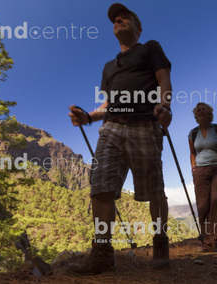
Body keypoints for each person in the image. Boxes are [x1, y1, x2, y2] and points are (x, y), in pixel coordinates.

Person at [64, 3, 172, 275]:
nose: (118, 19)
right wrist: (88, 117)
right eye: (115, 18)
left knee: (155, 189)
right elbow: (110, 104)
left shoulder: (150, 48)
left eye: (125, 17)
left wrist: (165, 106)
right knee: (100, 185)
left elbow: (164, 80)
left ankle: (160, 241)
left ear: (138, 27)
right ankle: (102, 252)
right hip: (112, 128)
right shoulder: (109, 66)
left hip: (144, 124)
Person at [188, 102, 217, 255]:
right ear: (196, 114)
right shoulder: (193, 133)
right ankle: (206, 242)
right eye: (199, 110)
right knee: (202, 206)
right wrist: (194, 168)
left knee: (216, 202)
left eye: (204, 109)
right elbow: (193, 153)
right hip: (200, 171)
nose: (201, 111)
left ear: (209, 113)